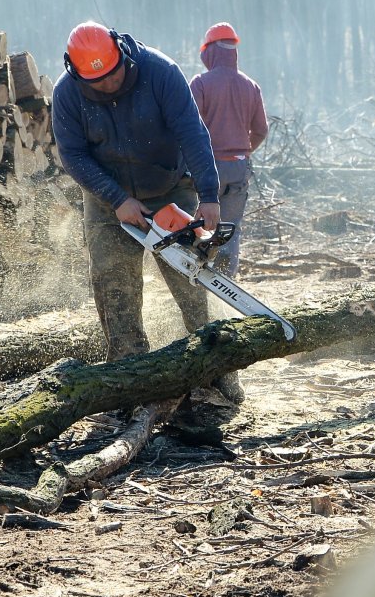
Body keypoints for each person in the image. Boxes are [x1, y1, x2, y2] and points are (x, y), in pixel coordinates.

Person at [52, 20, 243, 402]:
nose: (106, 85)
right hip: (108, 199)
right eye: (96, 82)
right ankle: (128, 371)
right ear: (76, 72)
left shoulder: (160, 72)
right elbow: (72, 154)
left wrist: (208, 195)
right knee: (113, 283)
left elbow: (192, 131)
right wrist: (116, 198)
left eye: (112, 75)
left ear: (121, 53)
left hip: (170, 187)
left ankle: (214, 368)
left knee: (190, 280)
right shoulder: (67, 93)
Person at [187, 22, 269, 277]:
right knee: (230, 229)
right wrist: (243, 152)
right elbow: (261, 130)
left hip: (207, 168)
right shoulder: (250, 86)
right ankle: (224, 281)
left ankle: (196, 276)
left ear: (208, 52)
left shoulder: (200, 83)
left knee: (197, 226)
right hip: (239, 167)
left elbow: (188, 129)